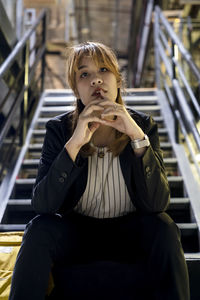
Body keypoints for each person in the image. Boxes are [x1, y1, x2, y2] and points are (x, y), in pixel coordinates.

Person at [9, 41, 190, 300]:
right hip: (77, 233)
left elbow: (157, 203)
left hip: (129, 232)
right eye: (84, 74)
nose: (96, 80)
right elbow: (43, 204)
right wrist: (74, 144)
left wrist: (136, 137)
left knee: (165, 227)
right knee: (39, 228)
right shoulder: (59, 130)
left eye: (104, 70)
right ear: (76, 88)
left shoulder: (143, 125)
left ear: (117, 80)